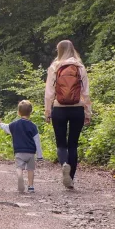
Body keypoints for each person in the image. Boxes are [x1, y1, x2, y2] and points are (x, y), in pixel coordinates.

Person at [45, 40, 92, 189]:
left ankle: (64, 164)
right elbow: (86, 93)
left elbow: (49, 93)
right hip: (77, 109)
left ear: (59, 51)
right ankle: (70, 179)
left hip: (59, 108)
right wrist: (88, 112)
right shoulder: (80, 67)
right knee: (73, 144)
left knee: (61, 143)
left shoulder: (55, 67)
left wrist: (47, 111)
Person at [0, 100, 43, 193]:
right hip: (30, 153)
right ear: (31, 112)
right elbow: (37, 142)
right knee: (31, 169)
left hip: (19, 151)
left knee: (19, 167)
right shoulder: (33, 126)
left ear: (18, 112)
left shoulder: (14, 125)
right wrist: (39, 156)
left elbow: (6, 127)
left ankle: (20, 176)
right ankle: (30, 186)